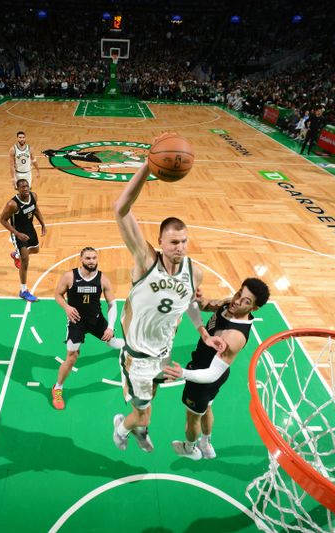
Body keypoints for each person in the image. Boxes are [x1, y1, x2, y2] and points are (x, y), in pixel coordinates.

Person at [111, 143, 226, 453]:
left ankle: (138, 426)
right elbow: (120, 207)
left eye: (184, 241)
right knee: (142, 410)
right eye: (174, 241)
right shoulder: (145, 259)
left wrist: (201, 328)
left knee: (151, 401)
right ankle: (122, 428)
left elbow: (187, 302)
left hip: (162, 354)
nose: (180, 246)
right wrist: (149, 166)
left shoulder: (194, 272)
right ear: (160, 241)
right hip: (137, 356)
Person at [164, 278, 270, 460]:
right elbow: (205, 305)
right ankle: (206, 444)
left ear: (254, 308)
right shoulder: (231, 304)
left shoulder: (235, 336)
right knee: (206, 408)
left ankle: (190, 449)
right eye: (239, 294)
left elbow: (212, 374)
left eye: (247, 301)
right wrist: (195, 298)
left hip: (204, 376)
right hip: (212, 372)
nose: (237, 301)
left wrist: (183, 373)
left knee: (193, 417)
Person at [51, 247, 125, 410]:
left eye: (94, 258)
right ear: (81, 259)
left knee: (113, 343)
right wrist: (66, 307)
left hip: (96, 320)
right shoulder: (69, 276)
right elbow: (57, 294)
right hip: (76, 322)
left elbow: (112, 303)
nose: (91, 261)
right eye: (88, 258)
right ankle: (57, 388)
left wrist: (110, 327)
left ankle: (131, 347)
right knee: (71, 356)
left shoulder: (103, 279)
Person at [0, 179, 46, 302]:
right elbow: (3, 220)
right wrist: (17, 234)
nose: (25, 189)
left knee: (36, 250)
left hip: (30, 229)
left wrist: (43, 224)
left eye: (26, 186)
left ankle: (16, 255)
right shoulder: (12, 204)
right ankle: (23, 291)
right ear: (17, 189)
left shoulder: (33, 196)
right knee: (25, 261)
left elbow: (35, 210)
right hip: (18, 232)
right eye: (22, 187)